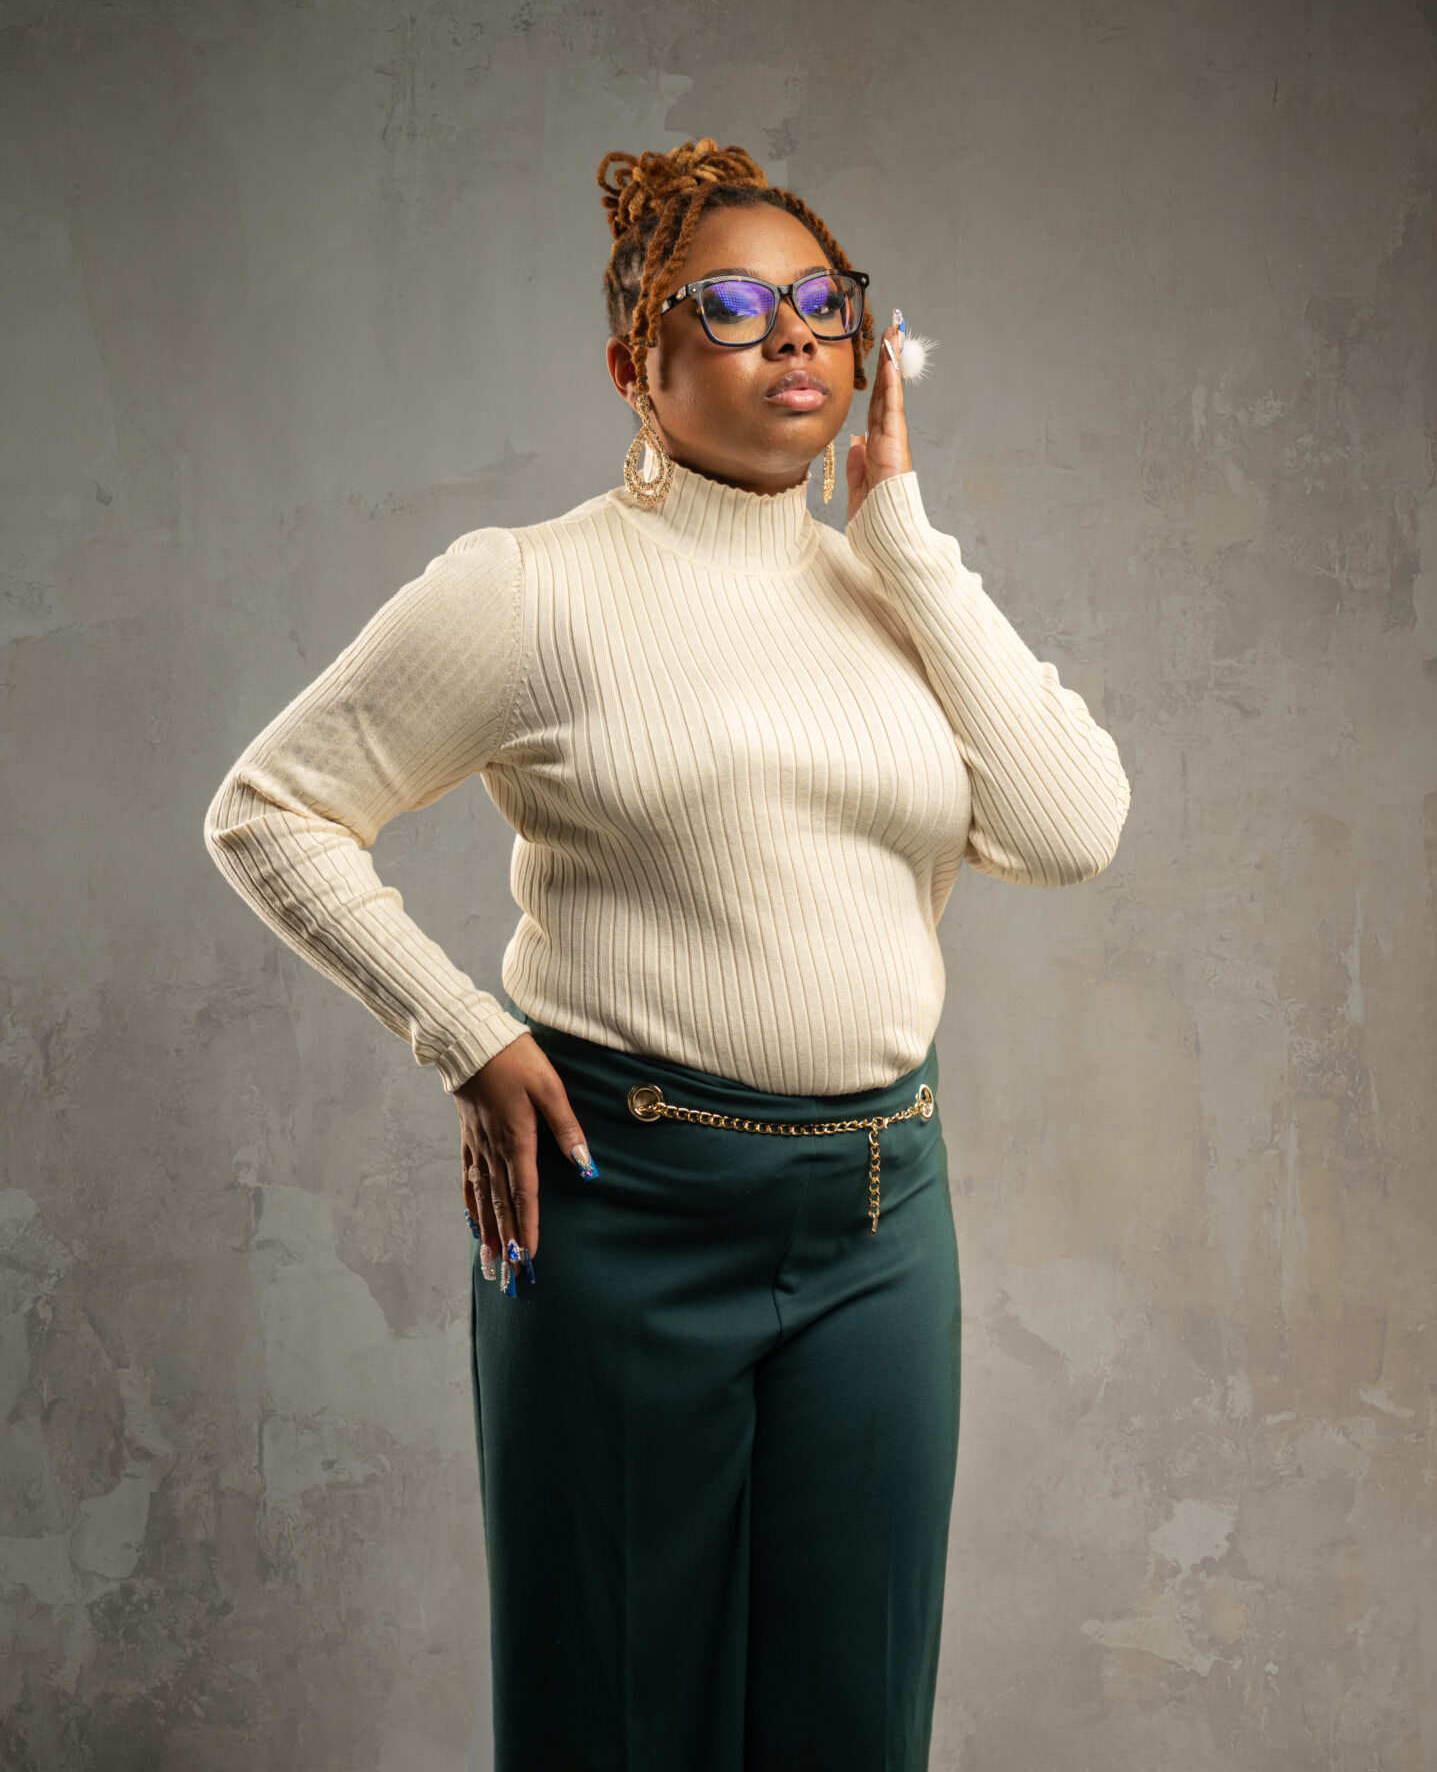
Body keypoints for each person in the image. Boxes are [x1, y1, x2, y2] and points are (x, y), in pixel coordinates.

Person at [203, 136, 1131, 1770]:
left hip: (877, 1218)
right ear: (635, 363)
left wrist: (903, 535)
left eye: (819, 303)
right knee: (611, 1719)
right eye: (728, 302)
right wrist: (466, 1036)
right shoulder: (530, 591)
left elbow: (1066, 829)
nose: (788, 335)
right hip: (623, 1207)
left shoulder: (888, 595)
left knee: (851, 1722)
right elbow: (271, 812)